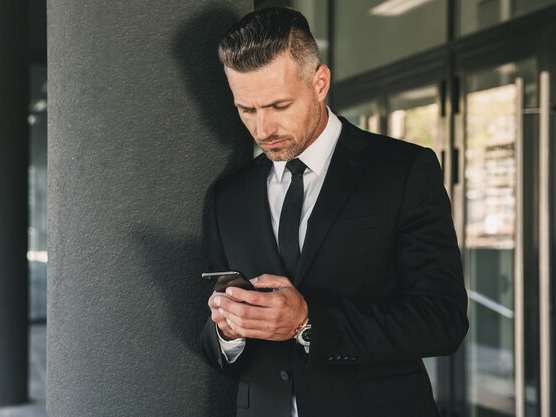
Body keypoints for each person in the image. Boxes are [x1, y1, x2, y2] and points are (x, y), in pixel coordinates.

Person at [200, 6, 468, 417]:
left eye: (279, 105)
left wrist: (308, 323)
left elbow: (443, 320)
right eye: (246, 110)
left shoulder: (403, 170)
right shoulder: (227, 197)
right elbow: (216, 347)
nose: (262, 129)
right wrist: (228, 331)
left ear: (320, 82)